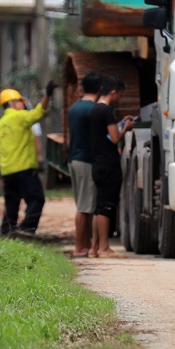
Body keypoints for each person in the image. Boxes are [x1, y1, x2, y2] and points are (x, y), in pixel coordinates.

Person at [0, 81, 56, 236]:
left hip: (7, 171)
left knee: (12, 203)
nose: (23, 105)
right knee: (37, 199)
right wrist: (47, 95)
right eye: (20, 102)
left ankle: (7, 232)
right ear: (13, 104)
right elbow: (38, 113)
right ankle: (26, 229)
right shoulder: (20, 118)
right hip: (24, 169)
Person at [88, 76, 136, 257]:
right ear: (113, 92)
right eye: (120, 95)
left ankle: (94, 248)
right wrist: (126, 128)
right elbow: (115, 138)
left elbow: (106, 133)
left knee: (99, 207)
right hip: (108, 164)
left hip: (97, 163)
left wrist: (120, 123)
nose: (120, 99)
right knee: (106, 207)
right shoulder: (107, 111)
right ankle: (104, 247)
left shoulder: (94, 110)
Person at [67, 72, 103, 258]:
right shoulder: (93, 109)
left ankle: (85, 244)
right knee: (84, 206)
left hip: (74, 158)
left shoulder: (74, 108)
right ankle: (80, 247)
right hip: (86, 159)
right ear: (100, 89)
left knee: (83, 204)